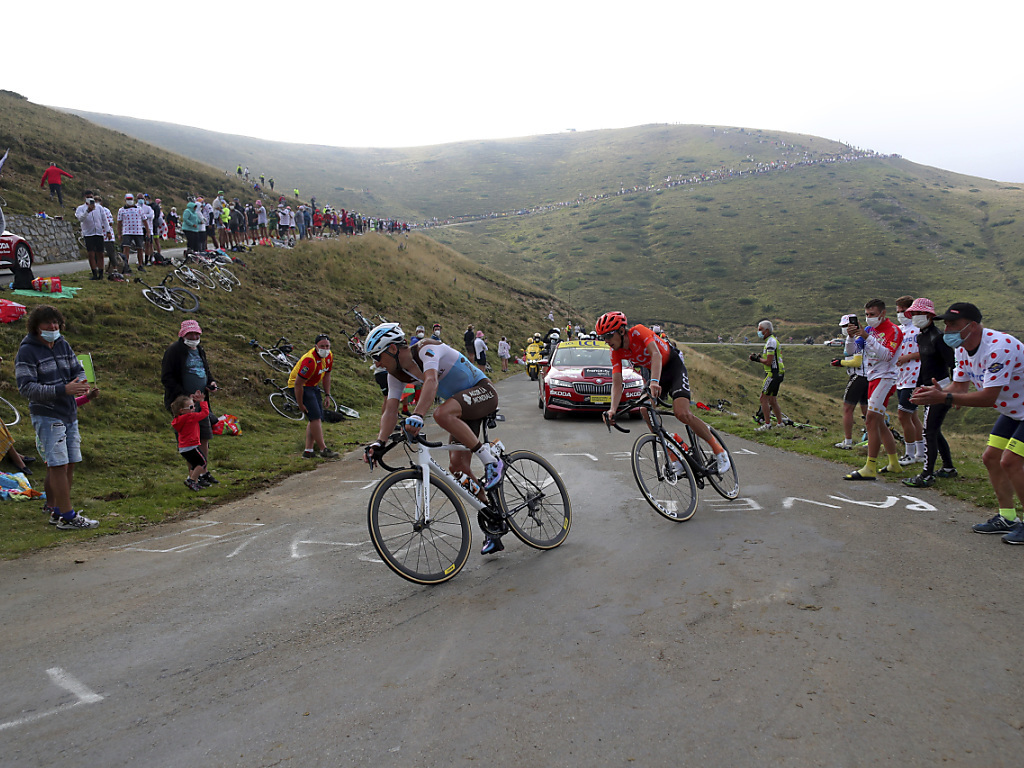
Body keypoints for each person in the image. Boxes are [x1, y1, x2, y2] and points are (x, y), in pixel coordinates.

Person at [363, 323, 505, 553]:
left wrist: (418, 414)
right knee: (457, 468)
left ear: (392, 349)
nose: (376, 363)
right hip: (461, 406)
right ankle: (493, 520)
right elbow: (390, 409)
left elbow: (431, 380)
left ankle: (491, 462)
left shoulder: (425, 349)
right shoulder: (395, 374)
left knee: (440, 413)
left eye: (377, 357)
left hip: (482, 391)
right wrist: (379, 442)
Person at [911, 303, 1024, 544]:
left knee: (1010, 461)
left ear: (972, 326)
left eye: (953, 324)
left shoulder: (999, 348)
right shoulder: (962, 348)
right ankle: (1008, 518)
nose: (947, 329)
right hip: (1014, 411)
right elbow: (959, 387)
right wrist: (935, 391)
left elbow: (987, 397)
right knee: (991, 458)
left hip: (1018, 409)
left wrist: (944, 397)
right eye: (946, 324)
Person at [596, 310, 730, 474]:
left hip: (672, 367)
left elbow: (656, 354)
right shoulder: (615, 352)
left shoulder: (639, 331)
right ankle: (675, 456)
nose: (606, 340)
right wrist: (612, 409)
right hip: (656, 375)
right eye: (603, 337)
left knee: (682, 413)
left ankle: (719, 451)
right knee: (645, 410)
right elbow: (617, 381)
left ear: (621, 331)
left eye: (609, 335)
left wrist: (654, 381)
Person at [15, 305, 97, 529]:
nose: (53, 327)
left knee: (69, 462)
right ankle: (68, 516)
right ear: (36, 326)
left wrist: (81, 383)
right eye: (47, 323)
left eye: (55, 323)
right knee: (58, 464)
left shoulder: (62, 343)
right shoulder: (27, 351)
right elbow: (26, 388)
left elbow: (77, 369)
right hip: (47, 415)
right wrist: (63, 390)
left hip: (69, 412)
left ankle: (59, 512)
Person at [844, 299, 903, 480]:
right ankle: (894, 463)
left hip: (886, 377)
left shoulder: (893, 330)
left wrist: (868, 337)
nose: (869, 318)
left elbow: (887, 355)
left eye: (873, 315)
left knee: (870, 420)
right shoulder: (868, 330)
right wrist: (851, 336)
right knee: (878, 422)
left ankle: (870, 466)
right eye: (867, 315)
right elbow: (850, 351)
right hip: (871, 376)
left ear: (883, 314)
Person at [903, 298, 958, 488]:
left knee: (928, 431)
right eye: (913, 314)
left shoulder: (939, 337)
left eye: (918, 314)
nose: (915, 317)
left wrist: (954, 392)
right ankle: (948, 468)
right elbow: (925, 364)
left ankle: (927, 474)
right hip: (927, 388)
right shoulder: (921, 337)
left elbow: (954, 365)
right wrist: (918, 385)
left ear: (929, 315)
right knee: (934, 429)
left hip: (940, 388)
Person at [161, 319, 220, 487]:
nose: (194, 336)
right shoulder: (174, 351)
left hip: (201, 403)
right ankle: (193, 476)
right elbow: (167, 378)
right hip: (185, 406)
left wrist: (212, 383)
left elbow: (206, 372)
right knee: (191, 442)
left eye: (196, 333)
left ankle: (203, 472)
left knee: (204, 437)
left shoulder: (199, 349)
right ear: (183, 334)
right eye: (190, 334)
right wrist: (186, 397)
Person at [287, 334, 339, 460]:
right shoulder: (309, 361)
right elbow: (298, 384)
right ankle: (323, 449)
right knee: (315, 418)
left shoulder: (329, 356)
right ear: (316, 346)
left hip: (313, 385)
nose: (325, 349)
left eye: (327, 346)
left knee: (316, 417)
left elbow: (327, 375)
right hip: (301, 386)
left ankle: (308, 450)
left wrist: (327, 395)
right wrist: (300, 404)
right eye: (322, 346)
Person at [893, 295, 924, 465]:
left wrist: (908, 357)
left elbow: (926, 351)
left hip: (915, 376)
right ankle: (921, 453)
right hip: (901, 376)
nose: (901, 314)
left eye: (903, 311)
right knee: (912, 416)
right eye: (898, 311)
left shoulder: (918, 329)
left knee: (903, 414)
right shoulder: (898, 330)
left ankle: (909, 453)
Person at [830, 314, 869, 449]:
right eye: (843, 326)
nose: (845, 329)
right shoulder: (854, 338)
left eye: (847, 326)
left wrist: (840, 362)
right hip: (866, 376)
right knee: (866, 409)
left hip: (858, 376)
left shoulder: (858, 338)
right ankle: (871, 439)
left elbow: (857, 361)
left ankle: (848, 441)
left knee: (847, 408)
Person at [749, 320, 790, 431]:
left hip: (773, 373)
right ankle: (780, 423)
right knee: (772, 400)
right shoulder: (772, 340)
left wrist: (757, 359)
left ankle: (767, 424)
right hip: (779, 373)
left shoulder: (770, 342)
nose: (759, 332)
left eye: (760, 330)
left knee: (763, 399)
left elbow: (768, 361)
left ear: (767, 330)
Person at [171, 390, 210, 491]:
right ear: (182, 410)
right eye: (191, 407)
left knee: (194, 464)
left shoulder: (178, 419)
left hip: (183, 447)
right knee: (202, 462)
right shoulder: (190, 417)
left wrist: (192, 401)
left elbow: (190, 409)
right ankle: (191, 480)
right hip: (191, 445)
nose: (194, 409)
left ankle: (195, 482)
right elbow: (205, 413)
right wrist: (202, 401)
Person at [75, 189, 112, 281]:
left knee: (100, 253)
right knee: (91, 254)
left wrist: (108, 231)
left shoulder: (99, 208)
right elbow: (81, 219)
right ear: (84, 198)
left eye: (91, 197)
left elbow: (104, 220)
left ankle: (101, 273)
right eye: (87, 197)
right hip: (88, 233)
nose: (90, 199)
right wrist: (88, 211)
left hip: (99, 232)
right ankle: (94, 273)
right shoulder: (80, 208)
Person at [116, 193, 149, 274]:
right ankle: (125, 265)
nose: (130, 201)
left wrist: (148, 231)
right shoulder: (121, 210)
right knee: (126, 248)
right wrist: (119, 234)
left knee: (140, 248)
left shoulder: (139, 209)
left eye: (131, 199)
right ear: (125, 200)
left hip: (138, 231)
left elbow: (144, 220)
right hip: (127, 232)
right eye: (128, 199)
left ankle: (140, 265)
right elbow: (119, 223)